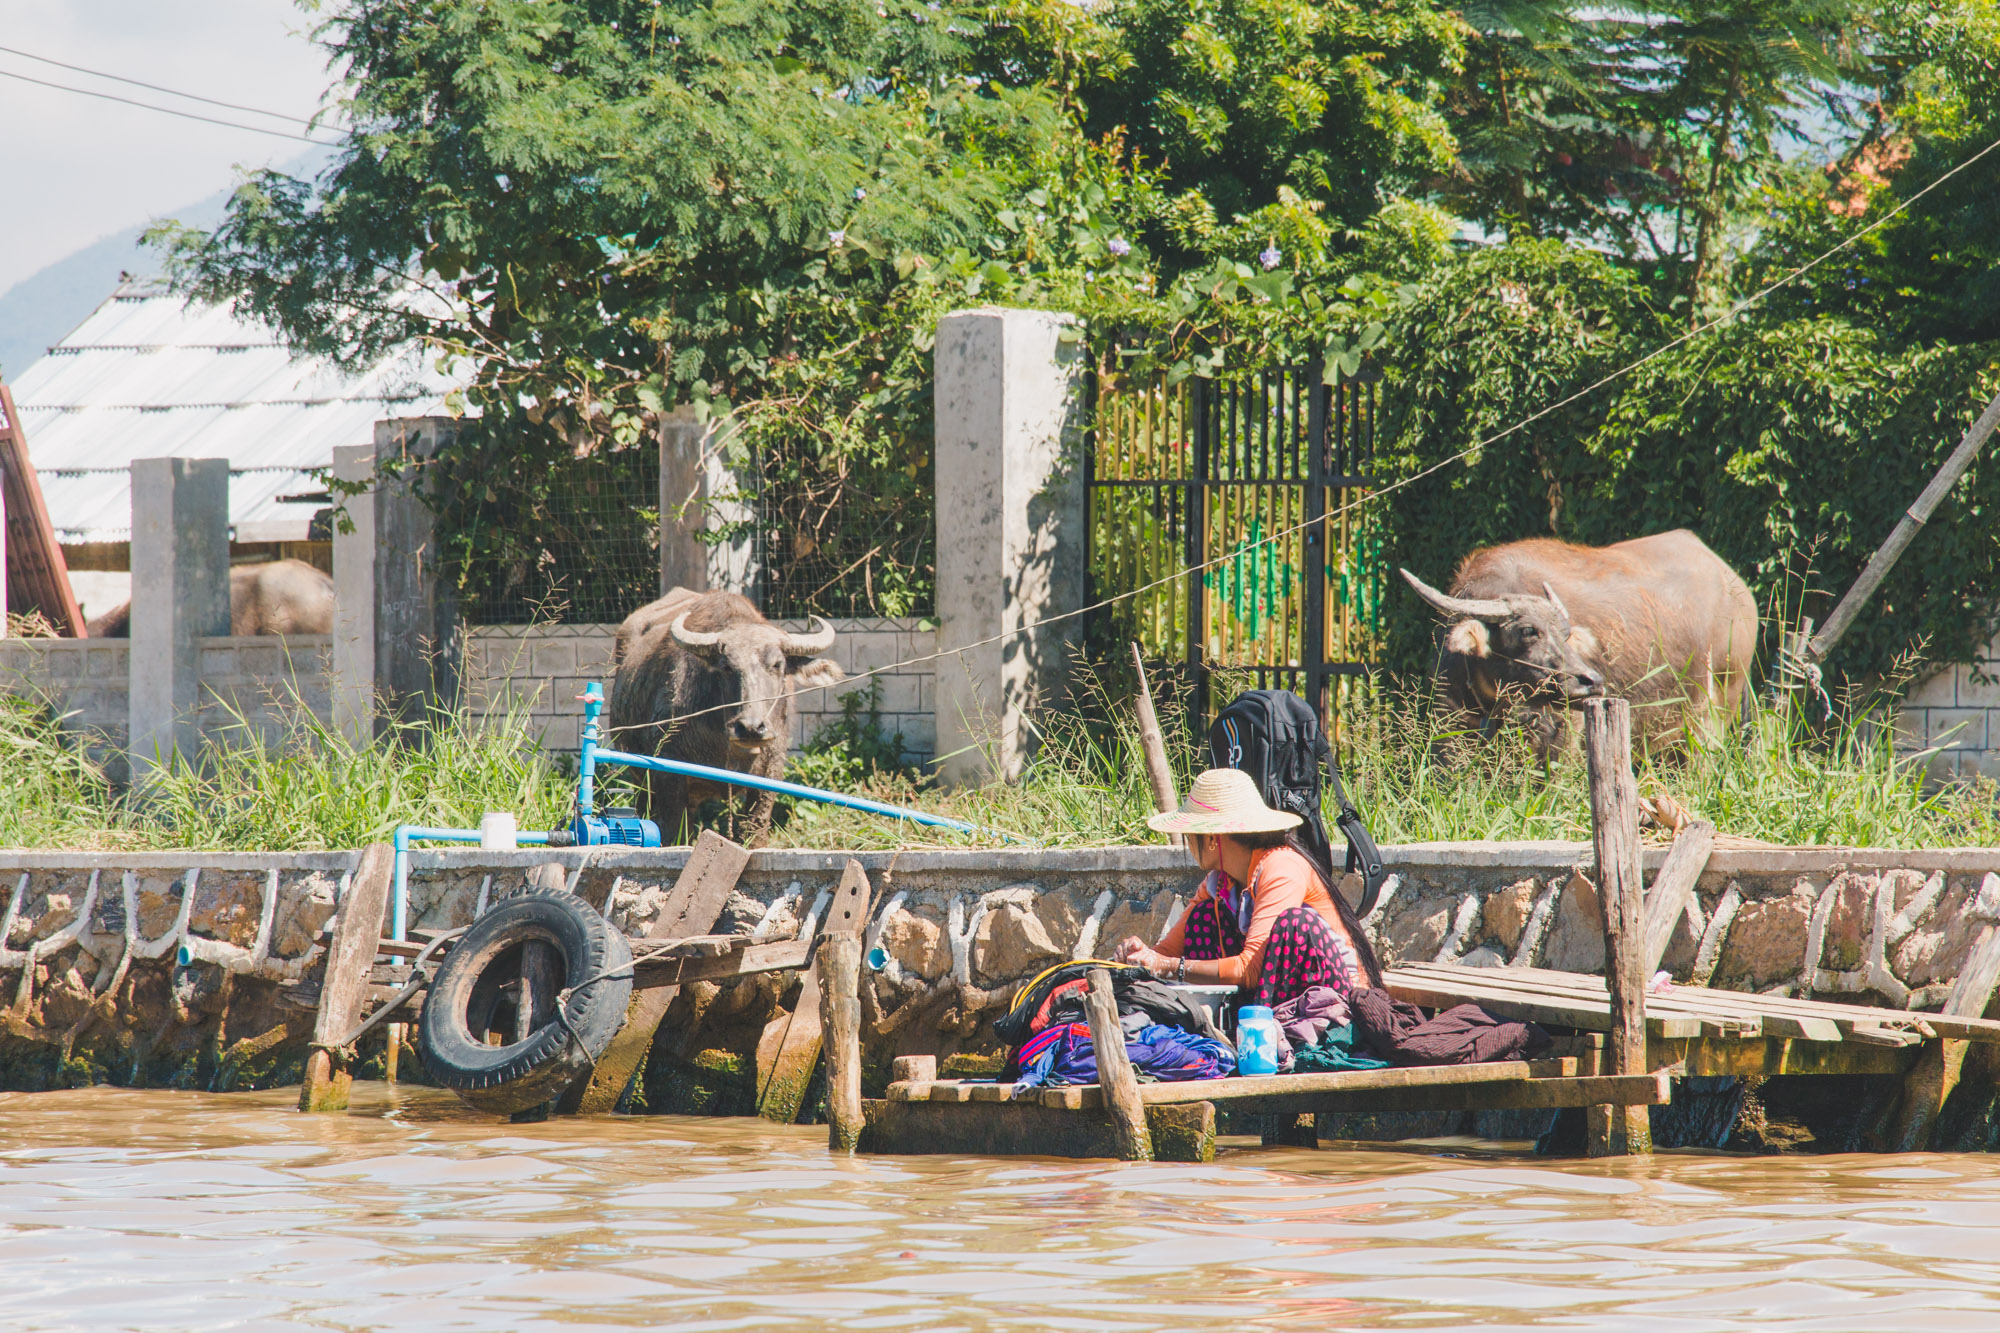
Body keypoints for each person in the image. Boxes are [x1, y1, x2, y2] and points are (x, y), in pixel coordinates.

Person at [1113, 768, 1384, 1008]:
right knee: (1204, 917)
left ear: (1210, 838)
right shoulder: (1219, 882)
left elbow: (1250, 969)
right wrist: (1139, 956)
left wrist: (1169, 967)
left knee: (1295, 923)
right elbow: (1167, 952)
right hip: (1280, 995)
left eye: (1190, 834)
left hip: (1340, 1001)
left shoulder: (1282, 866)